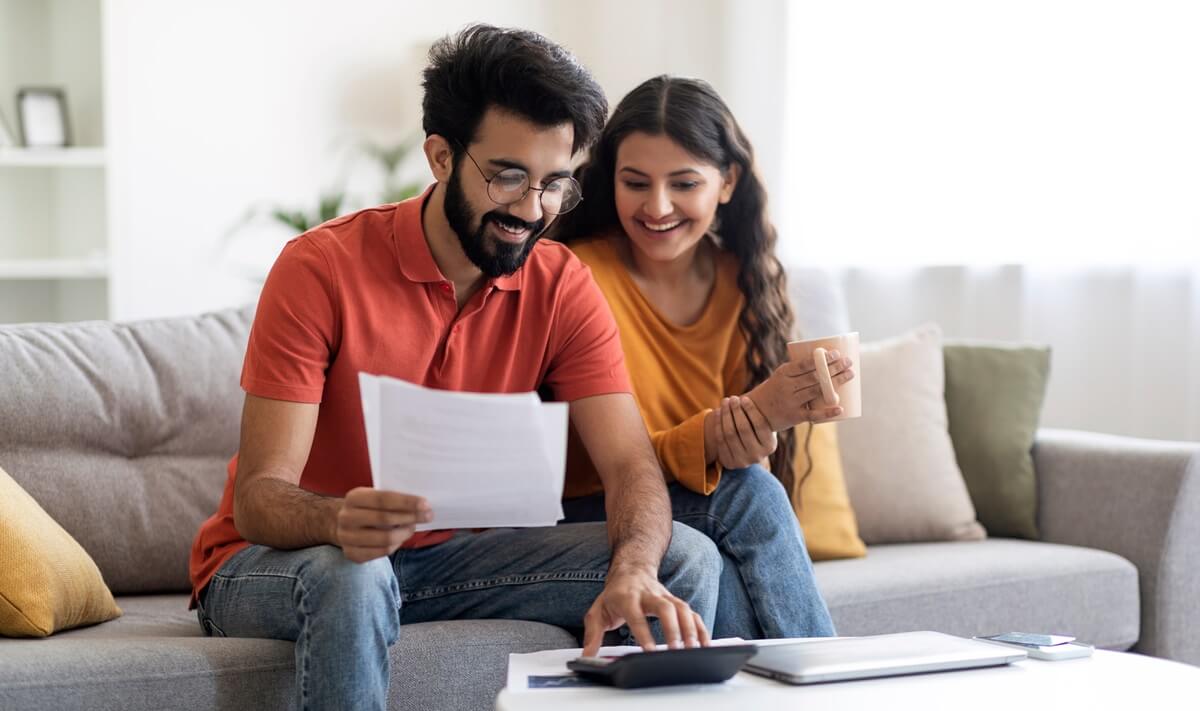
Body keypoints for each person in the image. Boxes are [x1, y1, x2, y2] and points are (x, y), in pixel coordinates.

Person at [188, 29, 721, 710]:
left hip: (447, 561)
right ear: (440, 156)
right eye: (507, 176)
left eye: (554, 183)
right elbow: (259, 498)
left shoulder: (562, 284)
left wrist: (636, 568)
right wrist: (340, 518)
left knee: (683, 558)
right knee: (356, 574)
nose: (532, 209)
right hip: (282, 561)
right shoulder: (319, 268)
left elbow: (629, 467)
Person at [554, 75, 854, 640]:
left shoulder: (742, 282)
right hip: (594, 507)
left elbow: (735, 472)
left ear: (727, 181)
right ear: (608, 180)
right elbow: (595, 465)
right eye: (635, 183)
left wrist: (749, 440)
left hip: (701, 508)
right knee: (749, 496)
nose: (658, 206)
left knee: (735, 531)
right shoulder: (578, 275)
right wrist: (715, 443)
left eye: (684, 183)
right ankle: (827, 681)